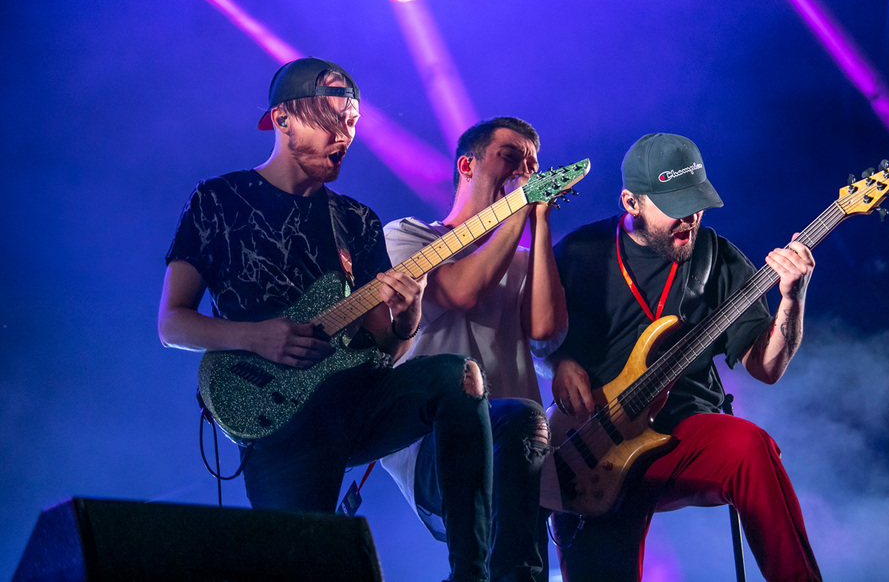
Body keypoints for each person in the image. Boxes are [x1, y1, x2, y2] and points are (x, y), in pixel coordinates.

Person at [158, 57, 494, 582]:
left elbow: (386, 348)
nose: (346, 136)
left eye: (353, 124)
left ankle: (472, 574)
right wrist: (257, 337)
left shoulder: (355, 219)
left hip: (357, 402)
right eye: (332, 120)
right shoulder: (218, 200)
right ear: (283, 118)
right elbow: (172, 324)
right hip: (277, 418)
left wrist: (407, 319)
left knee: (459, 377)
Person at [547, 133, 822, 581]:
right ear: (631, 202)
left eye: (695, 202)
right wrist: (558, 361)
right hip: (592, 447)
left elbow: (767, 368)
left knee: (750, 448)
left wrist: (793, 299)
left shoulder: (718, 259)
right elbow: (531, 334)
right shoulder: (580, 253)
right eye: (675, 205)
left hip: (681, 435)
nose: (690, 218)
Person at [380, 117, 567, 582]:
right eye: (510, 158)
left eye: (532, 166)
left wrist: (538, 222)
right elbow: (462, 292)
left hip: (520, 448)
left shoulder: (523, 258)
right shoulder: (409, 237)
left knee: (522, 571)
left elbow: (546, 331)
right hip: (435, 444)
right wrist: (518, 209)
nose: (524, 173)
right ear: (467, 165)